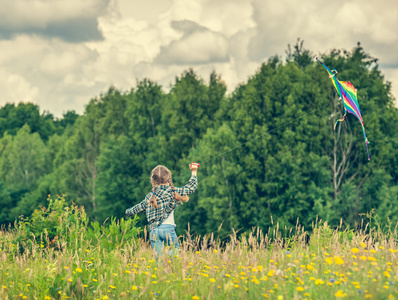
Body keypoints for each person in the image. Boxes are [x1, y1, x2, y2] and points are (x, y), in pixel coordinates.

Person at [125, 162, 199, 259]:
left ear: (154, 180)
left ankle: (162, 268)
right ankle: (169, 265)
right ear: (169, 177)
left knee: (158, 259)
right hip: (168, 229)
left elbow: (138, 208)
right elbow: (191, 187)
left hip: (153, 231)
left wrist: (128, 211)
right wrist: (194, 172)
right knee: (175, 251)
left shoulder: (150, 196)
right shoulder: (172, 191)